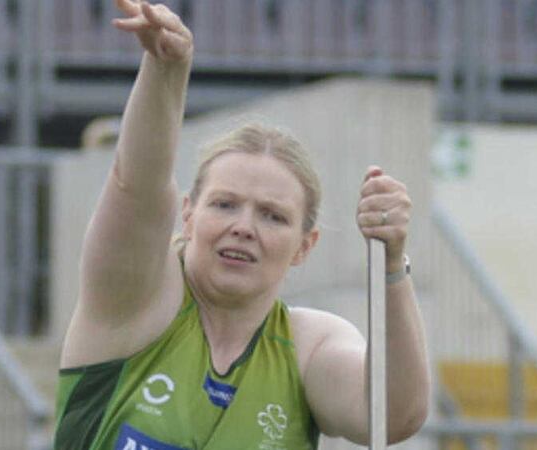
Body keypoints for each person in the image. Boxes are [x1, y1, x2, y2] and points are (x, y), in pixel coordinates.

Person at [54, 1, 429, 448]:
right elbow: (137, 186)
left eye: (273, 216)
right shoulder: (137, 300)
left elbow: (392, 416)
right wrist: (166, 69)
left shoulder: (310, 346)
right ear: (189, 214)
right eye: (225, 205)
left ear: (304, 246)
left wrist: (391, 264)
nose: (244, 227)